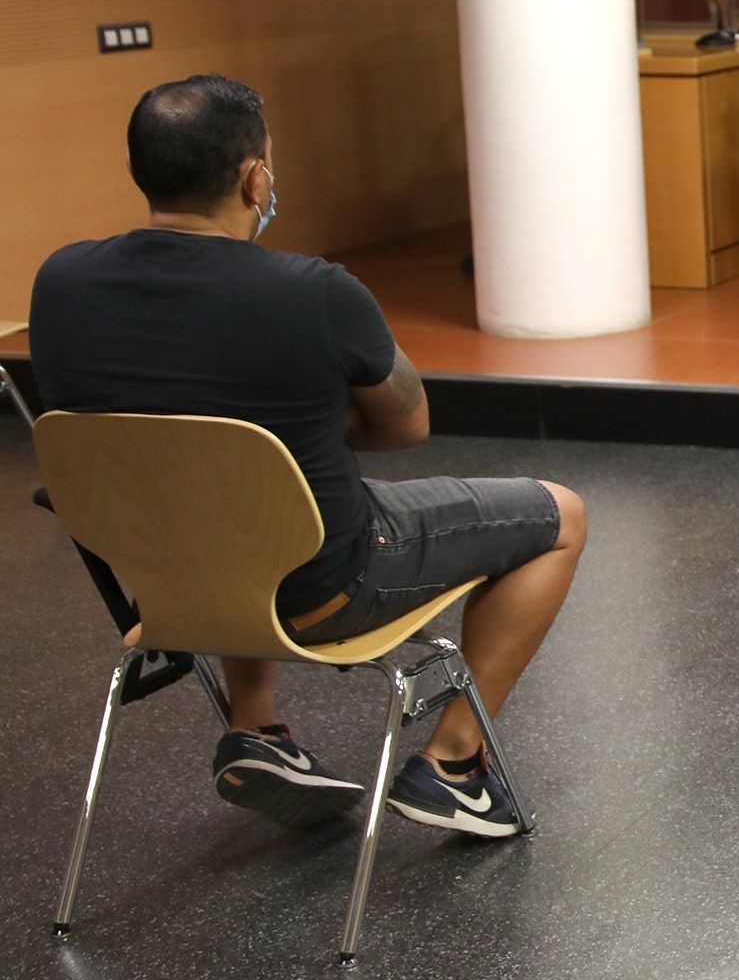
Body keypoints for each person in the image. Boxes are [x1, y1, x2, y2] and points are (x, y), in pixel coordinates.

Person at [29, 75, 586, 839]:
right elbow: (407, 424)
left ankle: (256, 726)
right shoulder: (312, 290)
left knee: (216, 497)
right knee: (560, 514)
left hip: (166, 584)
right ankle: (455, 763)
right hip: (326, 587)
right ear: (253, 176)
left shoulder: (59, 282)